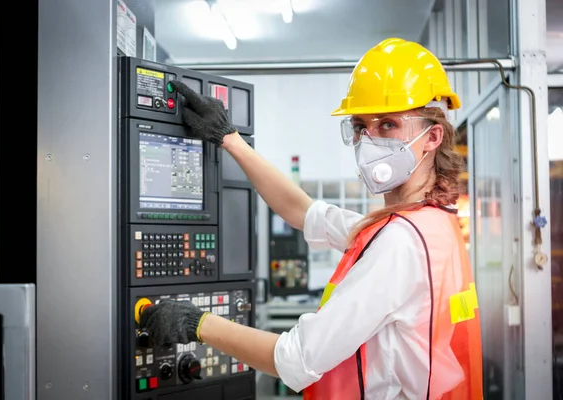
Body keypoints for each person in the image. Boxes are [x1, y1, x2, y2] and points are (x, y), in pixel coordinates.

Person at [139, 38, 483, 399]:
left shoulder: (401, 242)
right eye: (360, 126)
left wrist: (197, 323)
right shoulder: (430, 224)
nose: (369, 140)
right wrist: (231, 140)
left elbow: (297, 357)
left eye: (388, 125)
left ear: (433, 137)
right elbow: (303, 212)